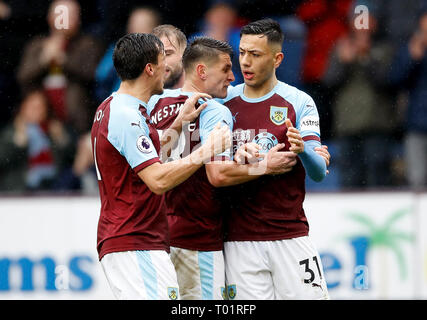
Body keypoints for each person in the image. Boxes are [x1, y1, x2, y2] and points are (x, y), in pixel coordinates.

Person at [91, 33, 231, 300]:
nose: (168, 67)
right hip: (135, 239)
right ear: (149, 69)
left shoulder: (114, 106)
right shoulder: (127, 117)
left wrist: (178, 123)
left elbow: (145, 157)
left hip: (132, 239)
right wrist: (206, 151)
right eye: (162, 59)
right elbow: (157, 180)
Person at [220, 18, 330, 300]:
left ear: (277, 58)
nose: (245, 62)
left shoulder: (299, 102)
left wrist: (303, 149)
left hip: (290, 237)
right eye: (242, 52)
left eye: (255, 55)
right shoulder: (222, 103)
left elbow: (318, 173)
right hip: (239, 243)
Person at [17, 0, 104, 135]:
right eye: (61, 14)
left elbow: (93, 76)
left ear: (78, 18)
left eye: (71, 15)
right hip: (40, 120)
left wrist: (64, 61)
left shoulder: (88, 45)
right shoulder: (37, 45)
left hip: (76, 122)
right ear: (50, 17)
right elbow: (23, 77)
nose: (65, 19)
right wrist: (43, 61)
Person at [0, 89, 76, 192]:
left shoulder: (52, 130)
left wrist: (61, 138)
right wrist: (17, 143)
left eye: (41, 107)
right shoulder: (11, 132)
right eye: (33, 107)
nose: (37, 111)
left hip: (53, 187)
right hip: (19, 189)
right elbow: (3, 160)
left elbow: (70, 159)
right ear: (23, 108)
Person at [390, 11, 427, 189]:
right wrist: (412, 59)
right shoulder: (411, 47)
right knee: (417, 181)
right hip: (417, 124)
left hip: (417, 121)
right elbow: (395, 80)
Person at [95, 6, 161, 103]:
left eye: (141, 26)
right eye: (132, 24)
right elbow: (100, 75)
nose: (134, 30)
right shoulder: (117, 49)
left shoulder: (162, 58)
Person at [152, 24, 187, 89]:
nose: (159, 63)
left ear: (185, 55)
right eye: (154, 56)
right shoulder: (137, 96)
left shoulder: (203, 96)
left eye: (167, 54)